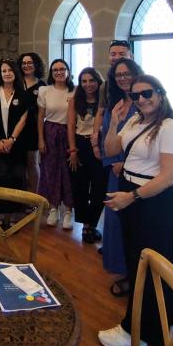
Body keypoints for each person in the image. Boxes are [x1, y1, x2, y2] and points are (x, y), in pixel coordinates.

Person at [98, 74, 173, 346]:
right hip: (130, 191)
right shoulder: (136, 120)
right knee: (139, 261)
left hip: (151, 200)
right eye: (135, 95)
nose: (141, 99)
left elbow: (167, 177)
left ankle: (136, 333)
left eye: (147, 93)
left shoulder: (169, 127)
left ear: (160, 94)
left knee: (149, 266)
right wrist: (114, 122)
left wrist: (132, 197)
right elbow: (110, 149)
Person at [100, 58, 144, 297]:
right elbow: (107, 136)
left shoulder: (144, 102)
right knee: (117, 224)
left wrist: (124, 162)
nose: (123, 78)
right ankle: (123, 270)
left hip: (138, 174)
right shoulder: (115, 104)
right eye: (118, 75)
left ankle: (141, 275)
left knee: (137, 226)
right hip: (116, 172)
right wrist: (113, 163)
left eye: (127, 73)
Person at [0, 59, 29, 222]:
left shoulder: (23, 94)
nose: (7, 73)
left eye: (10, 70)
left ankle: (15, 215)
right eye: (4, 71)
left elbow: (23, 119)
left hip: (17, 144)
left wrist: (11, 140)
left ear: (15, 72)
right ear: (0, 74)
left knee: (17, 177)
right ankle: (1, 215)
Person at [67, 66, 107, 244]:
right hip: (80, 144)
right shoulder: (75, 100)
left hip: (99, 145)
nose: (88, 84)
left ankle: (93, 223)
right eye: (84, 81)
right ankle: (85, 225)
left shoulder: (104, 100)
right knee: (80, 187)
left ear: (98, 81)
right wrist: (73, 150)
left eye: (91, 80)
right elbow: (70, 126)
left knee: (99, 187)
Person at [37, 58, 75, 230]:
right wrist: (40, 139)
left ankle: (68, 210)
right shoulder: (45, 90)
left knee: (68, 172)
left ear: (67, 71)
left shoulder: (74, 91)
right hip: (50, 133)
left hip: (69, 134)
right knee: (50, 171)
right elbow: (40, 117)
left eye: (62, 69)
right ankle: (54, 208)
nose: (59, 72)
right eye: (55, 70)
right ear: (51, 73)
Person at [17, 52, 47, 194]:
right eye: (24, 63)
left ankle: (34, 197)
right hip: (15, 128)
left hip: (33, 129)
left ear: (36, 65)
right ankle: (19, 197)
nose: (26, 65)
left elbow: (43, 112)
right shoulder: (16, 83)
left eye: (30, 63)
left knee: (32, 163)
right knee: (18, 164)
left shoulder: (42, 86)